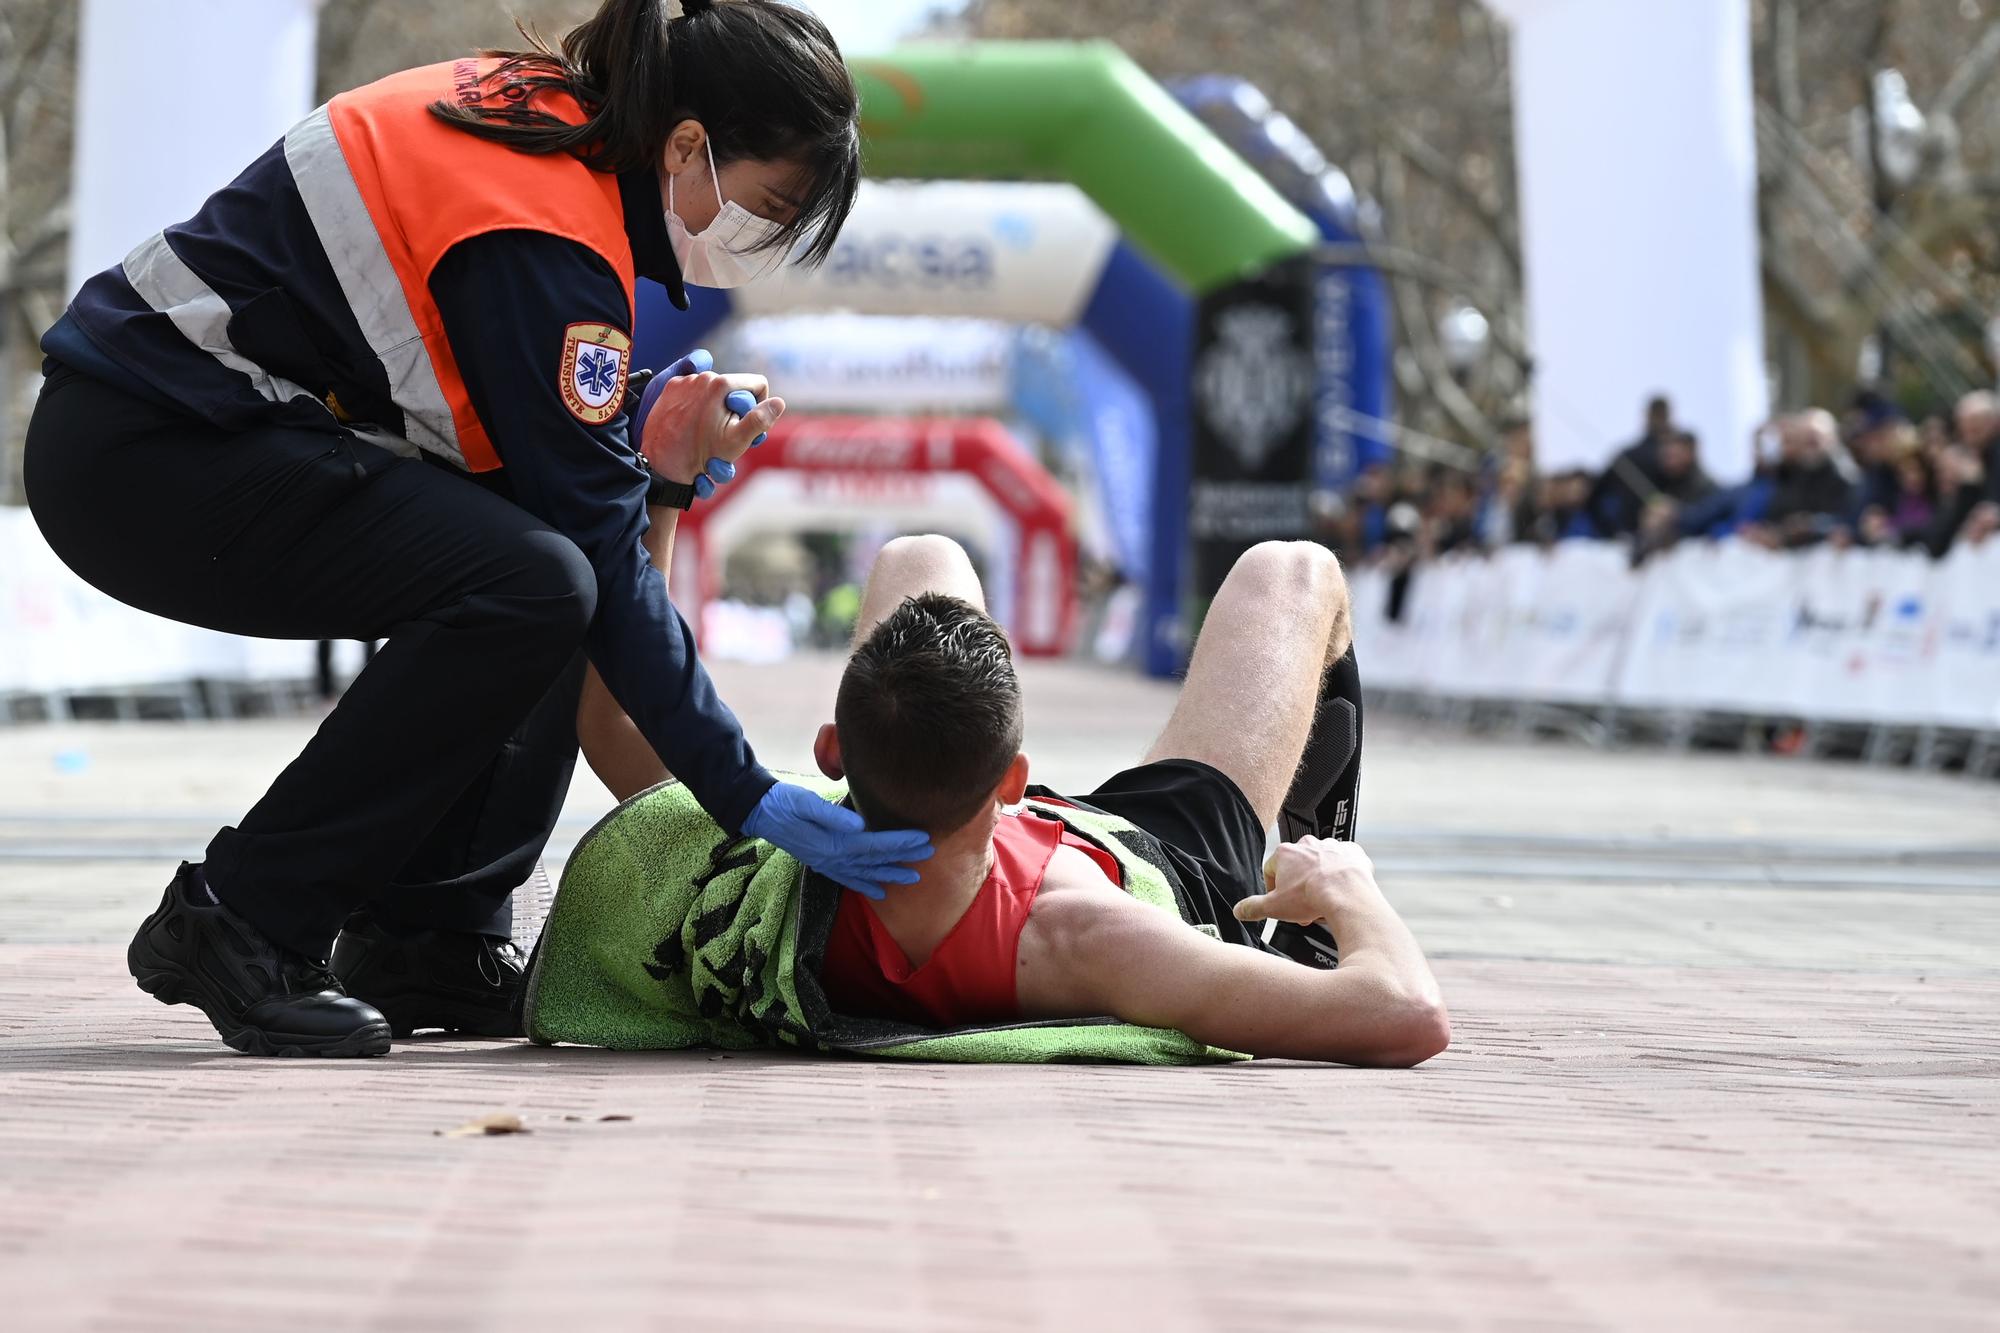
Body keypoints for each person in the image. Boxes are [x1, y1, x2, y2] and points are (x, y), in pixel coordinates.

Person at [23, 0, 931, 1058]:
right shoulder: (541, 222)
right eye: (768, 203)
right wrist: (745, 791)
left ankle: (428, 937)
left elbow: (477, 387)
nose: (761, 239)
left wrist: (637, 415)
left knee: (536, 554)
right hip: (150, 455)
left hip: (182, 432)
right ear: (687, 145)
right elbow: (585, 524)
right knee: (537, 577)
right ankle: (240, 915)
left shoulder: (543, 130)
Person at [574, 533, 1448, 1067]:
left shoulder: (771, 864)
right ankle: (1308, 856)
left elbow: (613, 713)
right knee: (1292, 570)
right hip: (1151, 857)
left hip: (988, 840)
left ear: (831, 755)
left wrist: (664, 482)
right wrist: (1346, 883)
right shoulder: (1094, 935)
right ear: (1014, 782)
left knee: (921, 557)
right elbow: (1405, 1015)